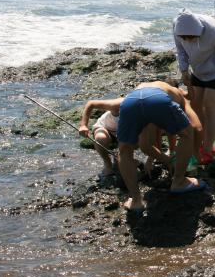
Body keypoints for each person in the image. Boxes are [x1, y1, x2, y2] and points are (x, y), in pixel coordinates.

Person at [78, 81, 203, 212]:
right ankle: (179, 182)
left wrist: (164, 159)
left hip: (131, 100)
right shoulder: (178, 96)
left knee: (124, 150)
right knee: (187, 134)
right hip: (156, 98)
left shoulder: (147, 92)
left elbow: (145, 145)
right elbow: (197, 128)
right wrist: (194, 155)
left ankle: (136, 201)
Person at [173, 10, 215, 162]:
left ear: (198, 32)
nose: (187, 41)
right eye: (184, 38)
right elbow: (181, 50)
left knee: (210, 107)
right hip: (198, 70)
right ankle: (200, 143)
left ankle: (208, 148)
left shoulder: (214, 30)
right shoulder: (177, 27)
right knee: (195, 107)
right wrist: (184, 70)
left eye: (191, 38)